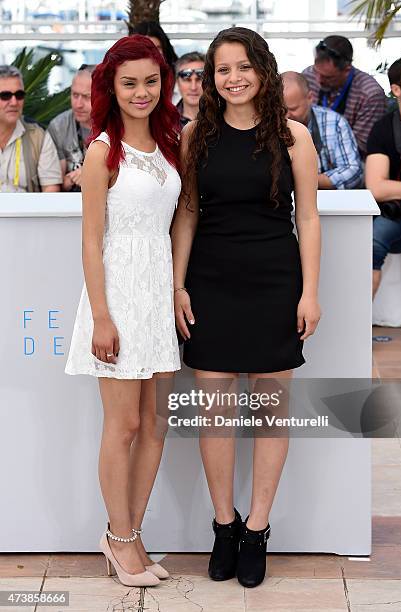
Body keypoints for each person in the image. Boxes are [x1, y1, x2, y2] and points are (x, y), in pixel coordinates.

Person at [171, 27, 321, 588]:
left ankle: (257, 528)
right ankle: (223, 524)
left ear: (262, 68)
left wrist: (309, 291)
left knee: (268, 411)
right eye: (221, 69)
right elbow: (186, 213)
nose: (233, 78)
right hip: (210, 282)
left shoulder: (294, 137)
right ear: (211, 79)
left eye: (242, 66)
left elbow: (307, 218)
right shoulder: (195, 136)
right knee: (213, 412)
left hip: (274, 282)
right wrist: (177, 284)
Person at [64, 35, 182, 587]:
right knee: (126, 423)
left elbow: (178, 220)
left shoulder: (169, 144)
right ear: (112, 86)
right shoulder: (100, 152)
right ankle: (119, 537)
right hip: (115, 301)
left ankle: (129, 536)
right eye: (130, 82)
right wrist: (103, 317)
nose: (142, 92)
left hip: (157, 297)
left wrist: (178, 288)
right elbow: (91, 243)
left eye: (151, 81)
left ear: (164, 84)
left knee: (157, 423)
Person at [302, 36, 387, 157]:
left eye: (327, 77)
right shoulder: (308, 76)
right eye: (316, 72)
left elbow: (361, 145)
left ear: (347, 70)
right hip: (309, 150)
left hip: (351, 157)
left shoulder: (370, 94)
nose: (318, 80)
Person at [366, 55, 401, 297]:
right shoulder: (383, 129)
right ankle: (360, 323)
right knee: (372, 242)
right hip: (398, 215)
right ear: (395, 90)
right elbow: (376, 187)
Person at [282, 71, 362, 189]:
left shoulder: (335, 122)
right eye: (281, 110)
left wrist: (304, 181)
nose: (286, 116)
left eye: (293, 109)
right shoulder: (266, 124)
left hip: (328, 200)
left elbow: (353, 170)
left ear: (310, 98)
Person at [0, 65, 61, 192]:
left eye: (19, 94)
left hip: (27, 212)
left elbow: (51, 188)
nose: (14, 102)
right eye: (5, 96)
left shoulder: (38, 136)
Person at [47, 65, 95, 191]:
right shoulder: (59, 126)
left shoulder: (118, 125)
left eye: (87, 97)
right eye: (75, 95)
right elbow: (57, 183)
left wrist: (91, 173)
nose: (78, 104)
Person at [175, 52, 205, 128]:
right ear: (177, 82)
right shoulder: (164, 122)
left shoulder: (225, 119)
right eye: (187, 80)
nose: (193, 87)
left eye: (199, 79)